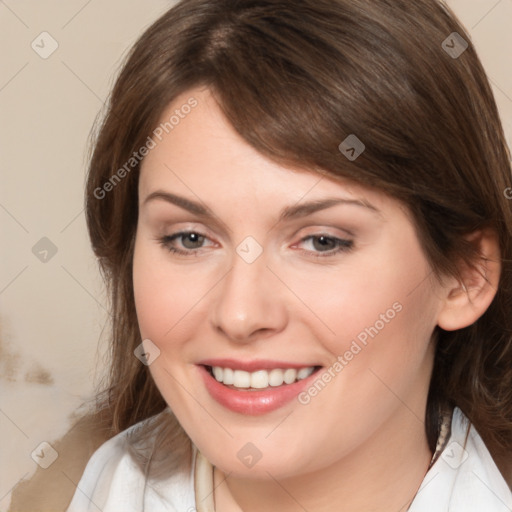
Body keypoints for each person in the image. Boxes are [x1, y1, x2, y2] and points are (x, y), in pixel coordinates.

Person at [66, 0, 512, 510]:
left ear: (465, 274)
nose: (240, 314)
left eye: (323, 241)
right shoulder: (103, 483)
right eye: (189, 238)